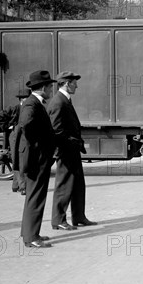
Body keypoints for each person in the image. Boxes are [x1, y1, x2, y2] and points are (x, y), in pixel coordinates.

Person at [49, 71, 97, 230]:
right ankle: (58, 220)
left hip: (72, 150)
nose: (77, 85)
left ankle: (79, 216)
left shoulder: (64, 100)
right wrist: (72, 143)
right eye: (74, 82)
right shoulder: (58, 102)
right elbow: (57, 131)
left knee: (77, 184)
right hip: (66, 151)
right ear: (66, 83)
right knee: (64, 185)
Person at [19, 70, 57, 248]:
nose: (51, 90)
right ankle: (31, 238)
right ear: (42, 88)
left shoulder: (35, 103)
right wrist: (37, 147)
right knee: (35, 197)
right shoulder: (31, 105)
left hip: (39, 158)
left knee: (35, 196)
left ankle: (31, 232)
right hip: (37, 159)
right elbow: (25, 126)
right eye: (49, 87)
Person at [0, 90, 29, 194]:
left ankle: (15, 186)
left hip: (22, 137)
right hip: (14, 137)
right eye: (27, 98)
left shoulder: (27, 108)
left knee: (18, 161)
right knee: (19, 161)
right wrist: (8, 126)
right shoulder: (15, 108)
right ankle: (23, 187)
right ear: (22, 99)